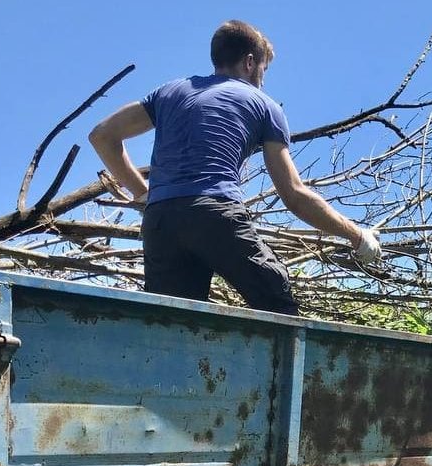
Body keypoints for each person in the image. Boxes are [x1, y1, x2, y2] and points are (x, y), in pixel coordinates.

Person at [89, 20, 381, 316]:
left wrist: (144, 194)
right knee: (277, 303)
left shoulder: (170, 92)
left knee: (172, 325)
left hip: (160, 222)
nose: (263, 81)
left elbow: (102, 135)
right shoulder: (264, 105)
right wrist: (356, 235)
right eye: (264, 70)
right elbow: (293, 194)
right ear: (250, 62)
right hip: (213, 213)